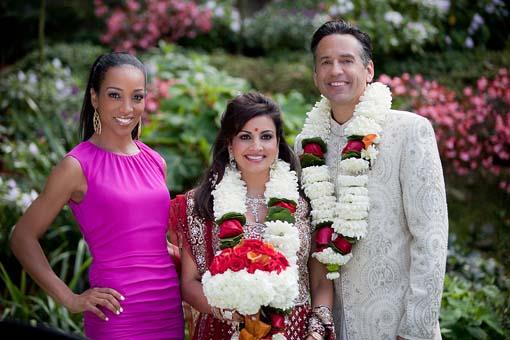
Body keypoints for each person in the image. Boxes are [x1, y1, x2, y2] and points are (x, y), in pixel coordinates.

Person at [10, 52, 184, 339]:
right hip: (118, 314)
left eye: (137, 97)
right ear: (94, 98)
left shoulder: (156, 161)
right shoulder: (76, 166)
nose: (127, 107)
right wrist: (70, 298)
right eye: (115, 95)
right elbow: (22, 237)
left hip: (167, 308)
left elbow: (154, 243)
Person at [295, 20, 448, 340]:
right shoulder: (306, 145)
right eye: (326, 62)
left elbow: (431, 239)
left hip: (396, 325)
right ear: (315, 76)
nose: (335, 70)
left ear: (368, 70)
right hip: (333, 325)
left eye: (346, 61)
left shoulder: (409, 131)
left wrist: (415, 328)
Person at [169, 92, 333, 340]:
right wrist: (229, 313)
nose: (256, 146)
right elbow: (190, 282)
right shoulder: (200, 204)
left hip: (294, 332)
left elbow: (320, 279)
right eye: (245, 137)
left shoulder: (304, 203)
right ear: (229, 143)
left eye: (266, 136)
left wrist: (316, 332)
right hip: (224, 329)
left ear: (278, 143)